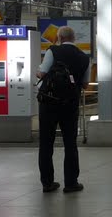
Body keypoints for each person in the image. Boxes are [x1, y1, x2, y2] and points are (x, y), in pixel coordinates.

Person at [37, 26, 90, 193]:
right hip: (70, 104)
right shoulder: (84, 57)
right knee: (70, 144)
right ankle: (71, 183)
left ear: (59, 37)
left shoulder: (53, 51)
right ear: (74, 39)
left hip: (49, 104)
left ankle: (47, 183)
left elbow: (41, 73)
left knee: (46, 143)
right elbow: (86, 84)